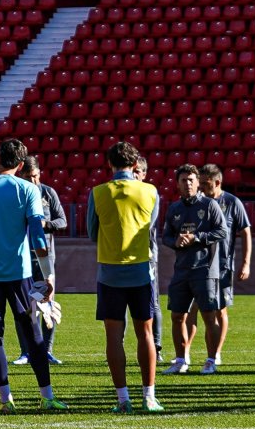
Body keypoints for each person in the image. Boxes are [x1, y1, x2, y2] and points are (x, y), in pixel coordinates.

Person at [0, 139, 68, 412]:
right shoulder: (27, 189)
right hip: (20, 273)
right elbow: (38, 236)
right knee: (33, 334)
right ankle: (46, 396)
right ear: (21, 165)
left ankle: (5, 399)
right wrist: (49, 276)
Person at [88, 141, 163, 413]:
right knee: (145, 333)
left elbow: (91, 231)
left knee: (113, 336)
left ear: (110, 164)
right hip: (141, 270)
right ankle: (149, 397)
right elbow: (151, 226)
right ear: (134, 165)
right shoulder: (150, 191)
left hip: (109, 272)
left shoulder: (98, 193)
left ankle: (122, 399)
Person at [161, 164, 228, 375]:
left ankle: (210, 360)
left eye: (191, 180)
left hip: (205, 270)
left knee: (209, 316)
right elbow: (165, 237)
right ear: (177, 183)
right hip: (181, 270)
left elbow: (222, 231)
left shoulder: (209, 206)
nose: (188, 184)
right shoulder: (174, 209)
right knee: (177, 316)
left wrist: (198, 238)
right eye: (183, 180)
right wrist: (176, 241)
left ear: (198, 182)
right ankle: (181, 360)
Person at [185, 164, 251, 372]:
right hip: (197, 264)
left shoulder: (231, 202)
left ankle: (215, 354)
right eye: (200, 183)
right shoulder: (196, 202)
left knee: (219, 311)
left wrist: (246, 262)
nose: (202, 188)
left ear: (218, 182)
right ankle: (184, 354)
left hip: (221, 266)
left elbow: (245, 231)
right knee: (191, 309)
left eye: (206, 184)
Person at [14, 155, 66, 366]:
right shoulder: (16, 194)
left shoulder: (48, 193)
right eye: (28, 177)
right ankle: (25, 351)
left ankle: (47, 350)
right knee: (24, 305)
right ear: (21, 175)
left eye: (35, 176)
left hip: (45, 256)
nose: (32, 181)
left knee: (48, 304)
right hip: (22, 256)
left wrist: (46, 225)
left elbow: (62, 220)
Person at [132, 157, 164, 360]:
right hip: (124, 256)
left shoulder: (150, 194)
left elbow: (148, 225)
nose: (135, 175)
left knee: (153, 302)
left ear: (144, 174)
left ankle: (157, 346)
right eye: (132, 171)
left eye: (138, 172)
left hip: (147, 254)